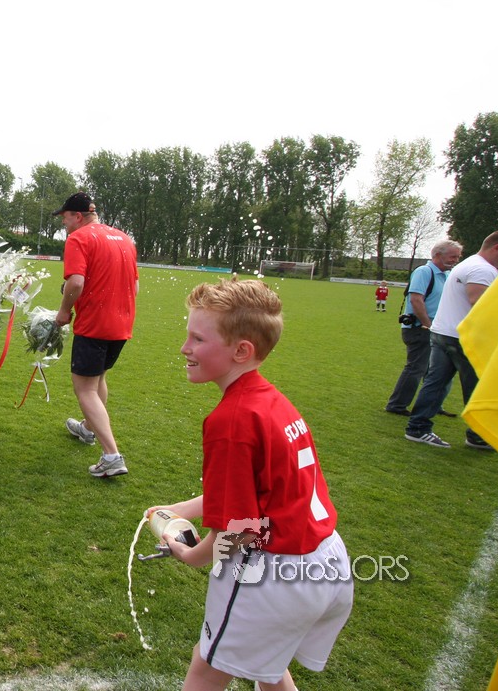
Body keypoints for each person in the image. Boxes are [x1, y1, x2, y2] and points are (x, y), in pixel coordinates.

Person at [148, 279, 352, 691]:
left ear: (241, 351)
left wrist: (192, 555)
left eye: (197, 338)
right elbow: (263, 492)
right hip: (327, 560)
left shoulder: (231, 421)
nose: (185, 348)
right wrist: (184, 509)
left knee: (207, 666)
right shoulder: (272, 401)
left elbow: (240, 529)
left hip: (272, 570)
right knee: (267, 665)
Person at [405, 230, 498, 449]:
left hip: (444, 332)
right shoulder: (482, 269)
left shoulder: (468, 264)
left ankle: (417, 427)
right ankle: (478, 435)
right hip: (463, 338)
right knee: (476, 387)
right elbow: (479, 302)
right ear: (497, 247)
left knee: (435, 383)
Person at [52, 192, 139, 478]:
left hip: (95, 324)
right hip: (122, 324)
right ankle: (87, 429)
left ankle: (111, 456)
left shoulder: (79, 238)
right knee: (98, 378)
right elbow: (135, 287)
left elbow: (76, 282)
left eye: (65, 217)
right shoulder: (124, 238)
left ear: (78, 216)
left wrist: (64, 311)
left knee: (85, 388)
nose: (63, 223)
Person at [385, 240, 462, 416]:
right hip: (420, 328)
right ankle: (397, 405)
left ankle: (434, 404)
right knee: (417, 368)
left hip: (438, 328)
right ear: (438, 255)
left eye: (458, 257)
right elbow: (416, 300)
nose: (456, 260)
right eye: (453, 256)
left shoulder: (448, 275)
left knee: (440, 370)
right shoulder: (424, 272)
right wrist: (428, 324)